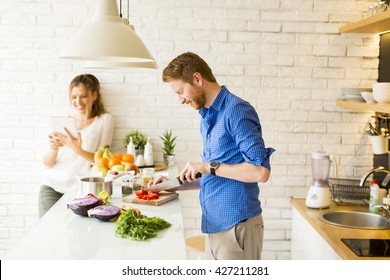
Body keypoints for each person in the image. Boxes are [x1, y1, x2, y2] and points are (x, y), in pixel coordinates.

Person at [159, 52, 275, 260]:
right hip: (216, 228)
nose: (181, 100)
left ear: (197, 78)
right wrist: (170, 184)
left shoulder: (237, 111)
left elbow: (260, 172)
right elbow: (216, 173)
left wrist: (207, 166)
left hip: (236, 228)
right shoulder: (208, 116)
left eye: (181, 91)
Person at [39, 74, 114, 218]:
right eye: (74, 97)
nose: (78, 101)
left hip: (80, 190)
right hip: (51, 185)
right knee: (47, 234)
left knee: (74, 235)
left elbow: (102, 161)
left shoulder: (104, 120)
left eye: (83, 96)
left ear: (94, 95)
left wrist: (78, 150)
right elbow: (47, 163)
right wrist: (53, 148)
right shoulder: (63, 119)